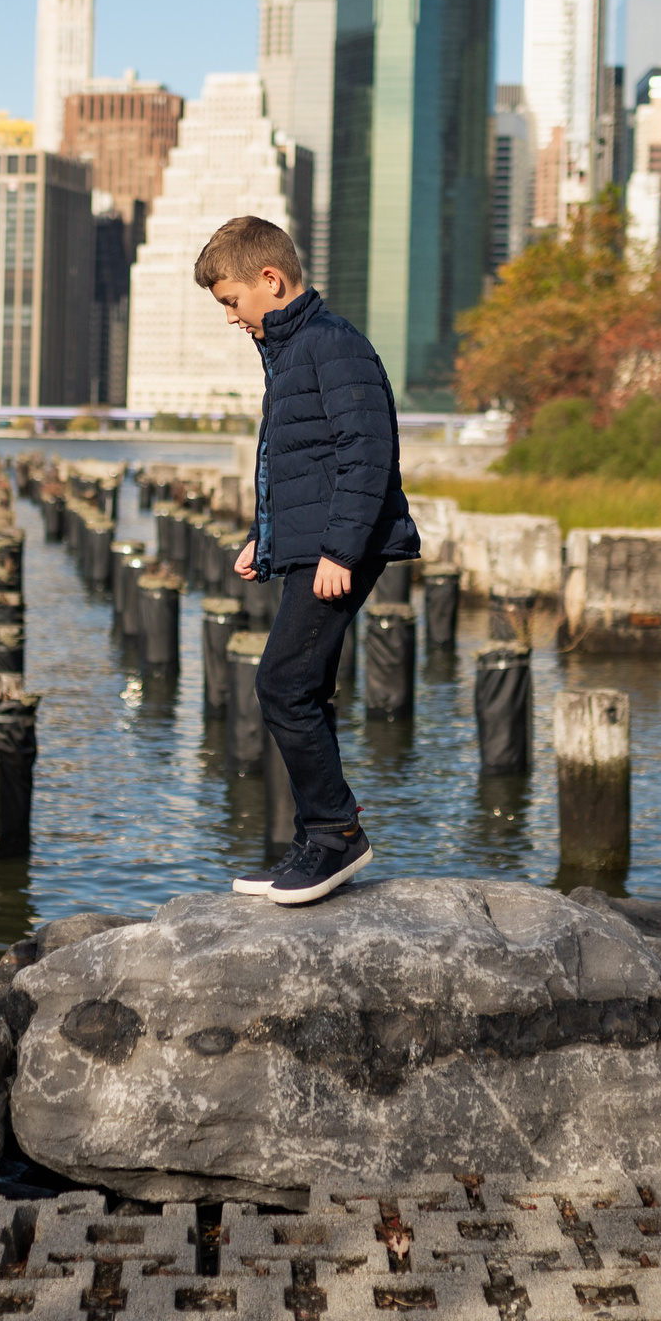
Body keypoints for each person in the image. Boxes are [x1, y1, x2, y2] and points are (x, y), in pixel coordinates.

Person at [201, 215, 420, 906]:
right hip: (315, 544)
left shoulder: (332, 344)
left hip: (343, 548)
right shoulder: (291, 350)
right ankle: (315, 839)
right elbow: (294, 463)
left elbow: (367, 455)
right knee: (306, 689)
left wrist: (340, 550)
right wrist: (262, 540)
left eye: (231, 300)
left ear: (270, 279)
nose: (231, 317)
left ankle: (335, 834)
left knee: (282, 685)